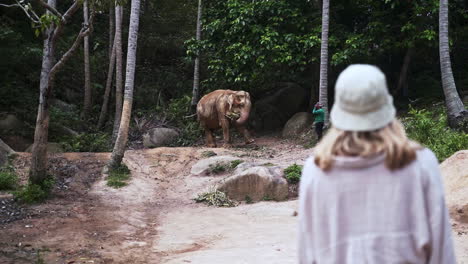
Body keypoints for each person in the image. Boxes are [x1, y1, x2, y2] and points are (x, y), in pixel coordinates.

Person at [298, 64, 456, 264]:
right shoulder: (421, 164)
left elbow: (307, 254)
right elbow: (442, 252)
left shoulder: (316, 170)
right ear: (385, 107)